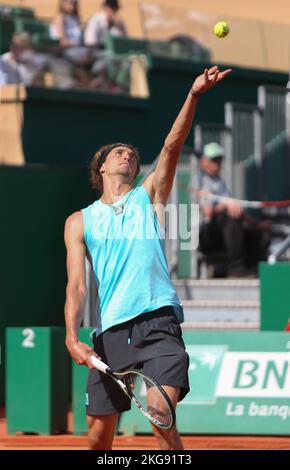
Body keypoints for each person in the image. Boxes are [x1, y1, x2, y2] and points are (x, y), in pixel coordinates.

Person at [64, 66, 231, 450]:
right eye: (117, 153)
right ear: (102, 167)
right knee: (97, 437)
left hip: (158, 323)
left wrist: (193, 95)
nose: (126, 156)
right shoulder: (79, 221)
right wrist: (73, 338)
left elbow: (172, 145)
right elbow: (77, 284)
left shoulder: (147, 194)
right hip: (111, 333)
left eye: (132, 156)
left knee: (159, 413)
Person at [198, 142, 272, 277]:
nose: (218, 163)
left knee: (261, 234)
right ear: (203, 161)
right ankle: (236, 269)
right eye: (214, 159)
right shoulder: (201, 181)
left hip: (224, 231)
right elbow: (208, 211)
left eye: (219, 159)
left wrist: (258, 224)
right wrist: (226, 205)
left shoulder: (219, 182)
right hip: (206, 235)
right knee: (229, 216)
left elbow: (237, 210)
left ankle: (250, 269)